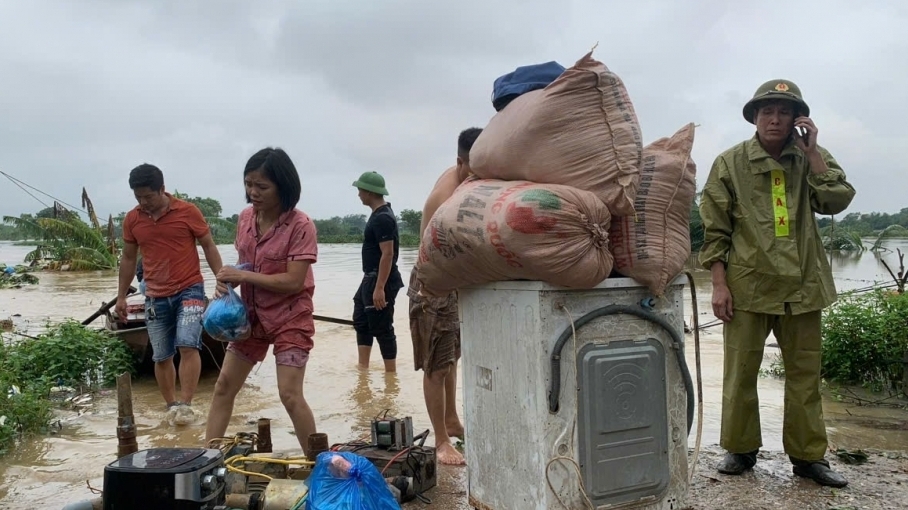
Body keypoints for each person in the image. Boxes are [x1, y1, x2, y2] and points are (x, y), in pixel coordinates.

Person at [699, 79, 856, 488]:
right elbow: (715, 231)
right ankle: (740, 449)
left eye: (784, 112)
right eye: (766, 111)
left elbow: (835, 201)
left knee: (805, 374)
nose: (774, 118)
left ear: (797, 119)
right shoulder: (730, 163)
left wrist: (815, 154)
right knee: (740, 373)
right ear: (754, 117)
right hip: (748, 287)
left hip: (804, 288)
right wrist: (718, 284)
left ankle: (808, 459)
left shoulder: (810, 157)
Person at [204, 147, 319, 455]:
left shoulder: (301, 225)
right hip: (250, 318)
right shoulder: (244, 219)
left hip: (290, 318)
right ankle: (207, 459)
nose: (252, 192)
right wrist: (225, 281)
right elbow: (245, 265)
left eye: (262, 186)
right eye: (248, 184)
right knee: (223, 386)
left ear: (283, 186)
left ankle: (321, 466)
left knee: (290, 395)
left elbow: (294, 281)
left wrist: (245, 279)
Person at [116, 164, 224, 418]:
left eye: (148, 197)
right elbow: (129, 258)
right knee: (161, 355)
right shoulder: (132, 220)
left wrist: (222, 280)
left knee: (188, 344)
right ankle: (170, 406)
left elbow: (208, 246)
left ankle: (185, 405)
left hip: (190, 290)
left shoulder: (188, 212)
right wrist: (121, 296)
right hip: (154, 293)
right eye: (138, 197)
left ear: (162, 189)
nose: (144, 202)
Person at [408, 127, 482, 465]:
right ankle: (440, 441)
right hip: (431, 289)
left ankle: (452, 420)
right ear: (459, 161)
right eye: (475, 167)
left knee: (451, 359)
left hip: (450, 285)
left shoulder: (464, 179)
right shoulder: (448, 198)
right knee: (436, 368)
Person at [352, 171, 404, 372]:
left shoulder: (383, 218)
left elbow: (388, 254)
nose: (358, 195)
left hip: (381, 279)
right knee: (361, 318)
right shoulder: (377, 215)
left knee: (382, 327)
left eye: (360, 190)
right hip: (370, 277)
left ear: (369, 192)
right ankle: (362, 368)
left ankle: (391, 375)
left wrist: (380, 288)